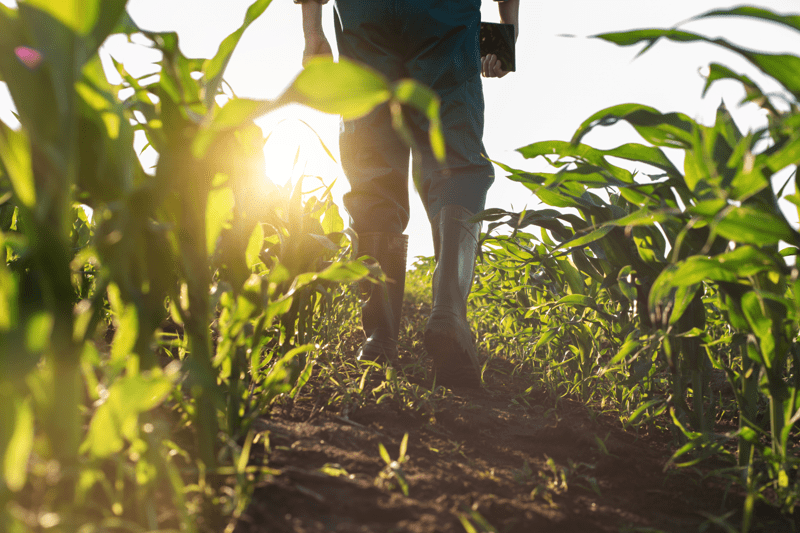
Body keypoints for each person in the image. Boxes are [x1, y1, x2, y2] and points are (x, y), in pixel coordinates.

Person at [297, 0, 520, 388]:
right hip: (443, 13)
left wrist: (311, 28)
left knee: (371, 163)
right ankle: (449, 314)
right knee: (457, 159)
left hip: (364, 13)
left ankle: (379, 336)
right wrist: (506, 29)